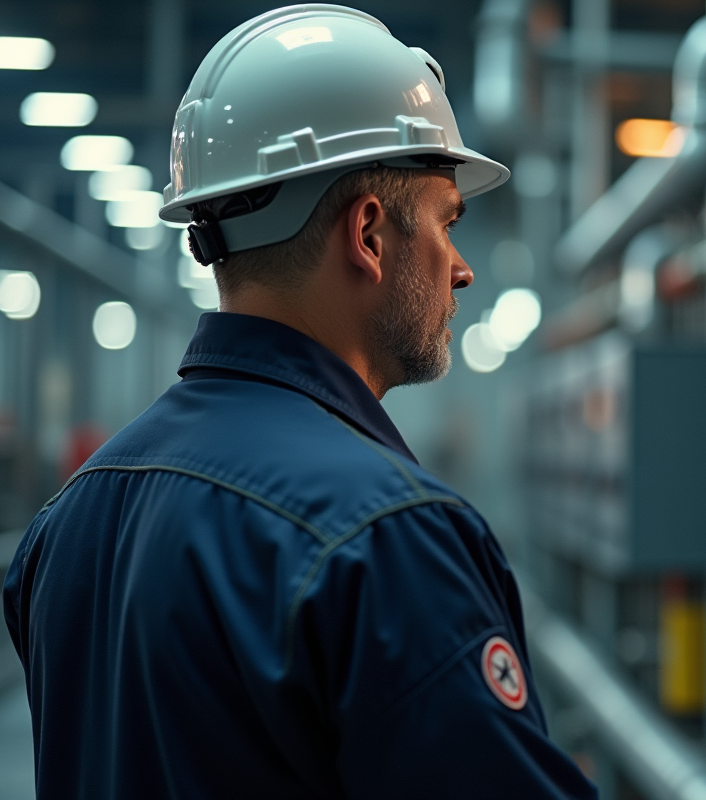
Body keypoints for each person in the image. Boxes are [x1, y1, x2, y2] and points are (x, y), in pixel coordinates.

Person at [3, 6, 596, 798]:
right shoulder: (388, 538)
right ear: (369, 235)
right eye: (447, 224)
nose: (462, 269)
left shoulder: (70, 520)